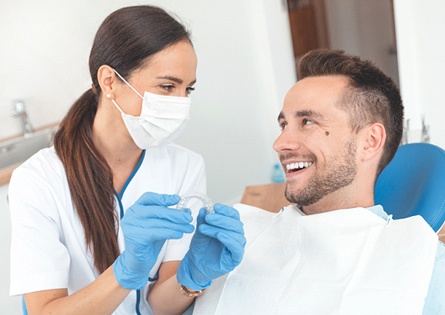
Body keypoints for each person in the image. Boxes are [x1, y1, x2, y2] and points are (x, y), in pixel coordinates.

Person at [8, 5, 245, 315]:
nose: (181, 103)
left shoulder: (185, 167)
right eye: (167, 86)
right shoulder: (39, 180)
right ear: (109, 81)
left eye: (188, 89)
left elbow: (159, 306)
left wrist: (194, 276)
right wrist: (125, 272)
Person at [192, 49, 445, 314]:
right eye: (284, 125)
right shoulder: (238, 243)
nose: (280, 144)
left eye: (307, 122)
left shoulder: (423, 268)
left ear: (369, 142)